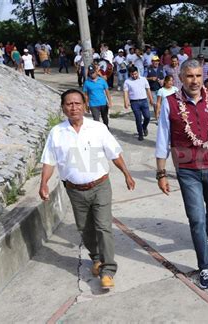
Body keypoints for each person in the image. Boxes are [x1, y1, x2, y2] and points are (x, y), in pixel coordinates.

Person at [39, 89, 135, 290]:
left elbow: (114, 153)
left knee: (103, 226)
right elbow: (49, 161)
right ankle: (97, 257)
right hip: (74, 190)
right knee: (85, 228)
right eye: (69, 104)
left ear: (84, 105)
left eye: (77, 103)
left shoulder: (97, 128)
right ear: (63, 107)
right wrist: (44, 182)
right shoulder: (57, 133)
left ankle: (108, 270)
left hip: (100, 186)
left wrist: (126, 173)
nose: (73, 107)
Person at [155, 59, 208, 289]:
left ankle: (207, 236)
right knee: (196, 219)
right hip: (187, 170)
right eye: (190, 76)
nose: (195, 81)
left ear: (204, 77)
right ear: (180, 78)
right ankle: (205, 266)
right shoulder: (171, 104)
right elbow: (163, 139)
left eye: (198, 76)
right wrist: (161, 172)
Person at [123, 66, 154, 141]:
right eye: (132, 74)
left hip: (144, 101)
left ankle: (144, 127)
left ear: (138, 72)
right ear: (129, 74)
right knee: (138, 118)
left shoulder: (143, 79)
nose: (134, 76)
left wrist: (151, 99)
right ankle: (140, 134)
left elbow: (148, 90)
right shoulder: (127, 82)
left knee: (147, 117)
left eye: (135, 74)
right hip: (134, 102)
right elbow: (125, 92)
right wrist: (126, 102)